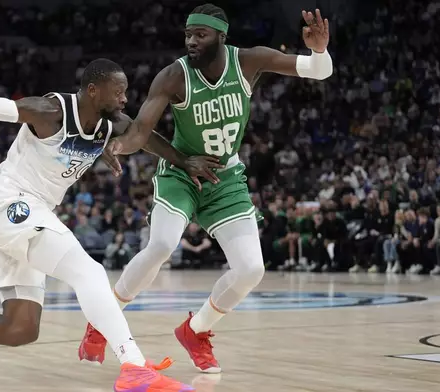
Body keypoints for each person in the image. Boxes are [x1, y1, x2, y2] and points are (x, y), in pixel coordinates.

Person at [0, 58, 220, 391]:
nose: (123, 99)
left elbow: (144, 138)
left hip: (32, 213)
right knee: (88, 272)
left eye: (125, 93)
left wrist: (183, 161)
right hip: (9, 202)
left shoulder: (109, 125)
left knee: (19, 329)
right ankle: (133, 366)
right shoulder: (50, 112)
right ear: (93, 90)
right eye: (118, 92)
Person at [80, 4, 333, 374]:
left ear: (221, 36)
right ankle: (103, 319)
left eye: (200, 35)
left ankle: (195, 330)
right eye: (187, 35)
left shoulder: (249, 61)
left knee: (251, 270)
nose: (191, 42)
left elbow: (319, 72)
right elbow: (139, 132)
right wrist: (117, 146)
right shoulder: (173, 76)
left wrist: (319, 50)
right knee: (162, 244)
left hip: (224, 177)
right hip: (181, 174)